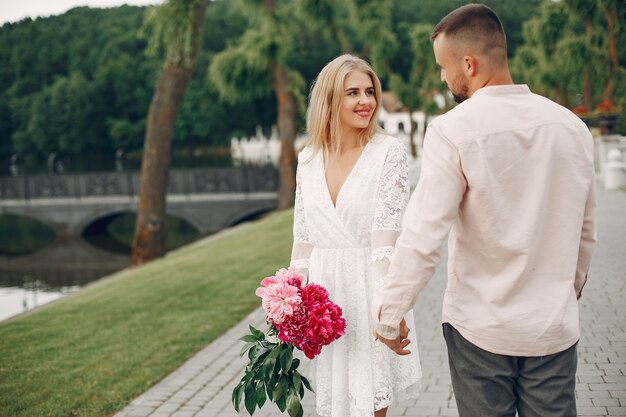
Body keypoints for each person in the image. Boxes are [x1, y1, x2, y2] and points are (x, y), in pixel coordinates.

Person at [372, 4, 596, 417]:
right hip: (552, 329)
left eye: (443, 66)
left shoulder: (453, 130)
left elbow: (424, 235)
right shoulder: (572, 128)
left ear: (469, 64)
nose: (442, 76)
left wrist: (389, 315)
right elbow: (585, 233)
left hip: (481, 330)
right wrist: (565, 290)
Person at [290, 54, 422, 417]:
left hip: (367, 291)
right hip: (324, 300)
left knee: (370, 404)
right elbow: (302, 240)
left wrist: (388, 312)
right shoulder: (308, 158)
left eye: (370, 91)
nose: (366, 101)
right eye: (353, 93)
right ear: (330, 100)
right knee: (333, 407)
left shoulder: (388, 153)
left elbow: (385, 244)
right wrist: (289, 305)